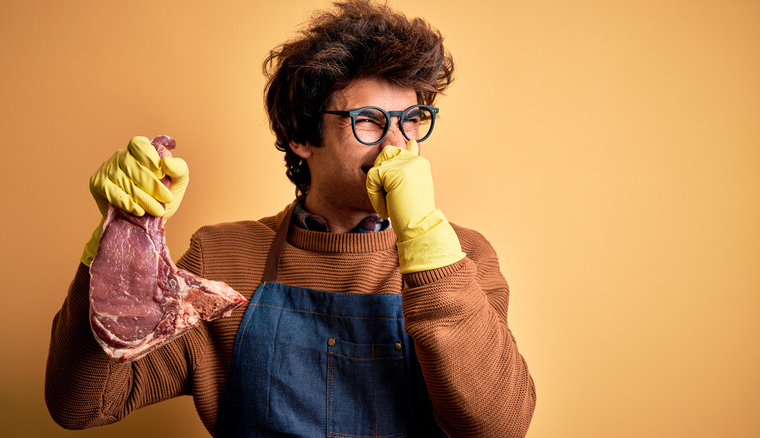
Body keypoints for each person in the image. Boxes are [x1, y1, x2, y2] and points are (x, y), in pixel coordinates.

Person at [45, 1, 536, 436]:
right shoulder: (223, 255)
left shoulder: (462, 256)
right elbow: (84, 405)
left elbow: (500, 426)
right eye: (368, 120)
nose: (398, 144)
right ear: (302, 135)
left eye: (410, 120)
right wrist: (120, 242)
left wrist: (427, 241)